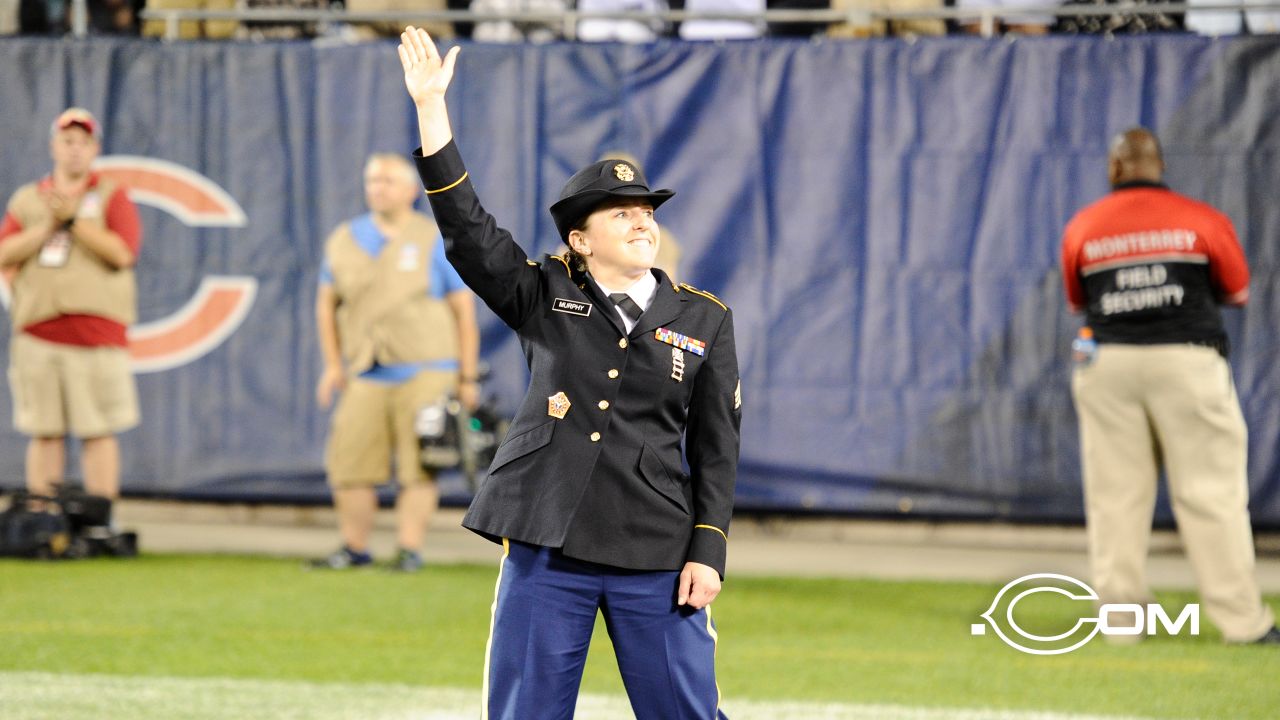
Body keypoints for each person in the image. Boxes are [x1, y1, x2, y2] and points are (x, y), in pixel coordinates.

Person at [399, 26, 741, 717]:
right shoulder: (542, 293)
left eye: (645, 211)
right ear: (579, 242)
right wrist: (432, 113)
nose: (641, 220)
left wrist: (709, 550)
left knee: (686, 711)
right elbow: (469, 233)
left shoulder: (705, 317)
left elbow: (716, 449)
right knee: (525, 710)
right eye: (621, 214)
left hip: (656, 548)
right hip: (546, 545)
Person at [1060, 127, 1279, 645]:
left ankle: (1120, 625)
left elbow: (1077, 299)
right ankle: (1243, 624)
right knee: (1211, 496)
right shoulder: (1201, 219)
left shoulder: (1084, 226)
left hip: (1107, 366)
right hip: (1187, 362)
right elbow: (1238, 289)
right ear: (1159, 167)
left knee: (1116, 499)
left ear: (1115, 169)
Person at [312, 152, 480, 573]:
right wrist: (334, 365)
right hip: (366, 370)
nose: (377, 188)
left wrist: (467, 375)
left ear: (409, 190)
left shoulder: (432, 238)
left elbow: (464, 311)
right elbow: (325, 307)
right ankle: (354, 548)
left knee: (417, 467)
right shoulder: (344, 239)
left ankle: (408, 549)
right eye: (372, 180)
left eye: (387, 181)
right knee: (349, 464)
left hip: (428, 369)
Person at [0, 107, 143, 506]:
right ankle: (43, 518)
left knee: (97, 430)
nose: (75, 151)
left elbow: (122, 253)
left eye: (83, 143)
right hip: (38, 331)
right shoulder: (29, 198)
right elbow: (4, 252)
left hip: (95, 334)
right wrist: (46, 225)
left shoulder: (111, 194)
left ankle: (100, 519)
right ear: (53, 147)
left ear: (95, 148)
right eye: (67, 142)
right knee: (44, 430)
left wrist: (74, 220)